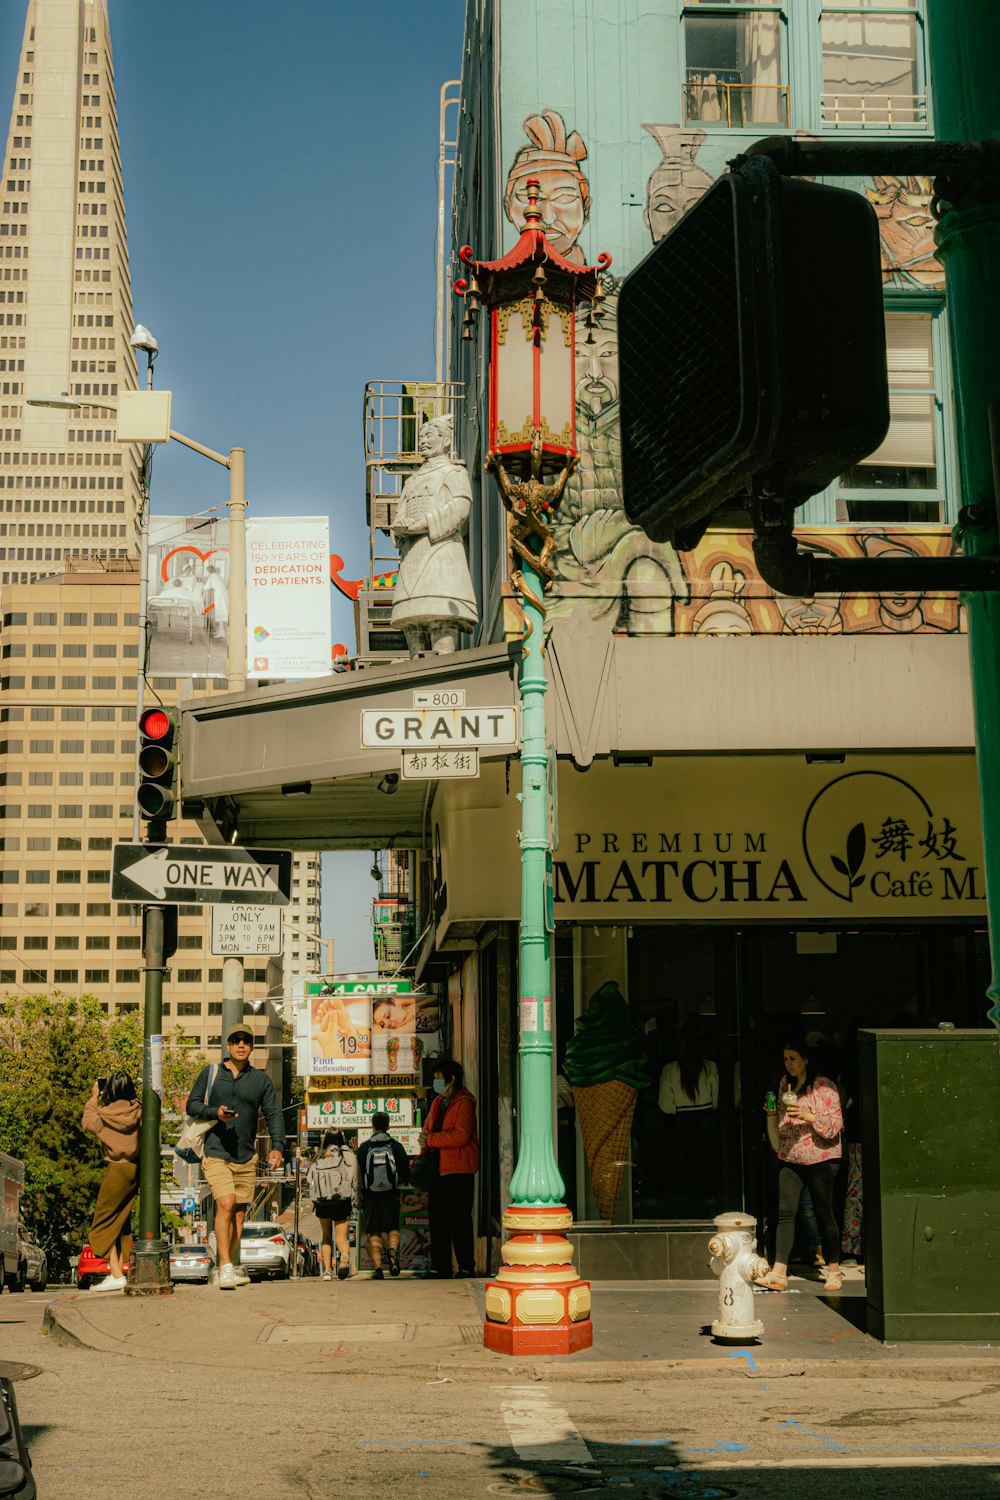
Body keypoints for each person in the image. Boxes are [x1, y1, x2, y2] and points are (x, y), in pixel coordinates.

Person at [185, 1026, 286, 1290]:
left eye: (246, 1041)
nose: (241, 1045)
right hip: (216, 1152)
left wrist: (277, 1146)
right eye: (235, 1041)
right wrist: (214, 1112)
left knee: (239, 1214)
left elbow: (274, 1113)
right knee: (226, 1204)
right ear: (227, 1046)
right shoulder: (211, 1073)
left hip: (246, 1156)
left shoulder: (261, 1080)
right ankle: (226, 1266)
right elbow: (191, 1104)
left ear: (252, 1047)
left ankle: (226, 1265)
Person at [757, 1038, 844, 1294]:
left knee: (823, 1212)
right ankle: (779, 1271)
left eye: (793, 1058)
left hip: (820, 1156)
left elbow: (835, 1125)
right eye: (785, 1059)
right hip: (791, 1155)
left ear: (806, 1060)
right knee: (785, 1212)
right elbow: (783, 1125)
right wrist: (773, 1115)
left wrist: (808, 1116)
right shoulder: (785, 1084)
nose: (789, 1064)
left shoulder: (823, 1086)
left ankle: (834, 1269)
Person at [418, 1060, 479, 1279]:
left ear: (451, 1079)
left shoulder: (464, 1102)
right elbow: (427, 1127)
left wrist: (432, 1139)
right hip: (438, 1171)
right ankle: (440, 1266)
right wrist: (425, 1137)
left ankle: (465, 1266)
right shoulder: (437, 1103)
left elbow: (461, 1135)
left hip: (458, 1170)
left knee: (459, 1219)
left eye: (439, 1077)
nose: (436, 1081)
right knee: (438, 1220)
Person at [82, 1071, 141, 1292]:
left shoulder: (103, 1115)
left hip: (116, 1170)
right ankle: (116, 1271)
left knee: (102, 1222)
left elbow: (87, 1123)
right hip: (135, 1169)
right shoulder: (139, 1111)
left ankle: (116, 1274)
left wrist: (93, 1097)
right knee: (118, 1222)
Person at [355, 1113, 410, 1279]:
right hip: (391, 1193)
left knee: (374, 1232)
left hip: (370, 1195)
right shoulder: (395, 1146)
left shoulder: (364, 1147)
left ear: (372, 1126)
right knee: (392, 1227)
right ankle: (393, 1256)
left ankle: (378, 1268)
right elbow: (405, 1170)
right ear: (388, 1126)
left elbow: (359, 1174)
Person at [306, 1130, 358, 1281]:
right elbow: (354, 1178)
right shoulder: (347, 1156)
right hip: (341, 1200)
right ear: (342, 1139)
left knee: (326, 1237)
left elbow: (310, 1179)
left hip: (322, 1202)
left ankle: (327, 1272)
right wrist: (356, 1200)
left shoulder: (319, 1156)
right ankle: (345, 1255)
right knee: (342, 1238)